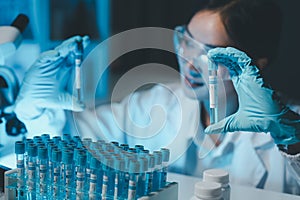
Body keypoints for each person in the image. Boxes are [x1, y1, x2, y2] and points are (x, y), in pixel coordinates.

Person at [14, 0, 300, 194]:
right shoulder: (156, 104)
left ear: (256, 63)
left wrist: (291, 140)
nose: (188, 62)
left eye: (210, 55)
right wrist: (36, 109)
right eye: (186, 42)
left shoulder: (286, 128)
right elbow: (72, 142)